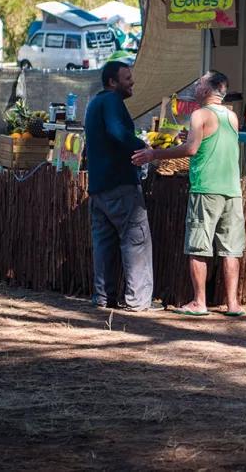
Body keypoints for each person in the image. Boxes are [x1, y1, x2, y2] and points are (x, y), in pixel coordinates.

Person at [132, 71, 245, 317]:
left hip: (206, 188)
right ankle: (233, 304)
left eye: (199, 83)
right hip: (232, 191)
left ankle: (199, 302)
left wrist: (154, 155)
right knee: (230, 249)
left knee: (198, 246)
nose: (195, 86)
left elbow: (192, 149)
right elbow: (212, 143)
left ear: (207, 89)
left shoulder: (199, 114)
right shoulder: (232, 117)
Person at [85, 61, 155, 311]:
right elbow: (118, 133)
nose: (132, 82)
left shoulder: (94, 103)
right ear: (113, 82)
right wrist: (142, 147)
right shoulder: (112, 101)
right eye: (127, 78)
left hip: (98, 186)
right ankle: (137, 301)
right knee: (136, 240)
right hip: (120, 184)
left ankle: (103, 297)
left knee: (103, 244)